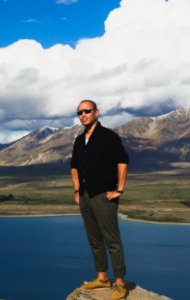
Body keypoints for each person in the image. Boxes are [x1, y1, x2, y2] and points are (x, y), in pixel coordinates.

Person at [70, 99, 129, 300]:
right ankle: (102, 277)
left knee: (112, 240)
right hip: (85, 195)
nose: (83, 115)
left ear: (97, 112)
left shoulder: (108, 137)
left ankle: (119, 282)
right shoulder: (79, 140)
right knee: (94, 239)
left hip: (104, 195)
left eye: (87, 111)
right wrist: (77, 190)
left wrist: (119, 189)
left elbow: (123, 161)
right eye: (79, 112)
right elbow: (74, 166)